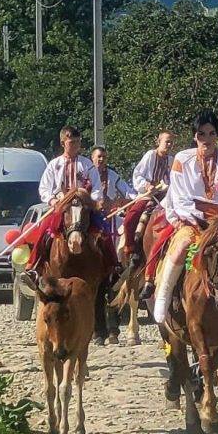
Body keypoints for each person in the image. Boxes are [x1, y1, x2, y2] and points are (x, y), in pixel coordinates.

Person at [150, 111, 218, 326]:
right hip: (193, 219)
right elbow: (178, 196)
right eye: (201, 134)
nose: (207, 139)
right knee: (181, 244)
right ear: (195, 136)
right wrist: (196, 218)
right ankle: (163, 295)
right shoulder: (182, 159)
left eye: (211, 133)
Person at [25, 126, 104, 277]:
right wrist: (53, 200)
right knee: (44, 231)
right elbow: (44, 188)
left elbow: (96, 188)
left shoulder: (87, 164)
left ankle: (112, 267)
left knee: (102, 230)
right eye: (72, 142)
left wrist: (93, 201)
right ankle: (34, 266)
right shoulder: (54, 165)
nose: (76, 145)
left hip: (83, 207)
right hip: (62, 206)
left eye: (78, 142)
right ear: (63, 143)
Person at [91, 146, 138, 346]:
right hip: (93, 223)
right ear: (92, 158)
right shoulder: (86, 174)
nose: (101, 160)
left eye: (104, 156)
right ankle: (96, 330)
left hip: (111, 226)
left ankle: (113, 329)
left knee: (113, 283)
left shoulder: (112, 176)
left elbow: (129, 191)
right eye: (98, 157)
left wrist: (126, 199)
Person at [121, 131, 174, 267]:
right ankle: (131, 248)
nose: (169, 145)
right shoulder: (151, 155)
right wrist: (147, 185)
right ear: (159, 142)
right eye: (166, 141)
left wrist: (167, 186)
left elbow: (171, 179)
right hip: (147, 194)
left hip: (163, 195)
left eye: (171, 142)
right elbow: (138, 174)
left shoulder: (171, 160)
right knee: (130, 219)